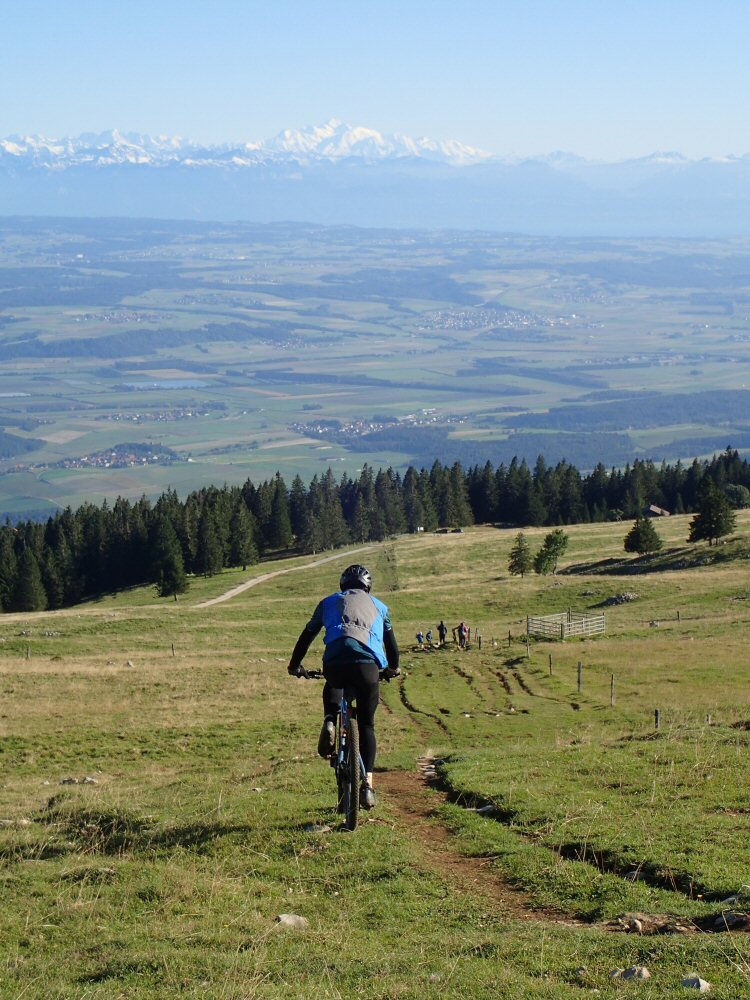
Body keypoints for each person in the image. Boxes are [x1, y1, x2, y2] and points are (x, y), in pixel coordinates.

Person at [287, 563, 400, 810]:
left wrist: (295, 666)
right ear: (367, 586)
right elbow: (392, 647)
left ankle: (330, 718)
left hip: (335, 662)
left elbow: (307, 636)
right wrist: (393, 668)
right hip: (367, 667)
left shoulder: (328, 602)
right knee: (367, 724)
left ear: (342, 584)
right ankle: (368, 786)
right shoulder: (380, 607)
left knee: (334, 681)